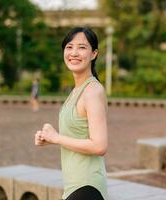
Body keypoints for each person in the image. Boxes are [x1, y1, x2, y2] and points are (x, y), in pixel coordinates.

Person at [34, 27, 108, 200]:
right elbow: (79, 134)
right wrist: (49, 138)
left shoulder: (93, 91)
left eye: (82, 47)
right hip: (75, 186)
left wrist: (56, 138)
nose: (74, 52)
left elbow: (99, 146)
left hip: (87, 187)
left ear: (94, 54)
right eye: (69, 47)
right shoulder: (77, 91)